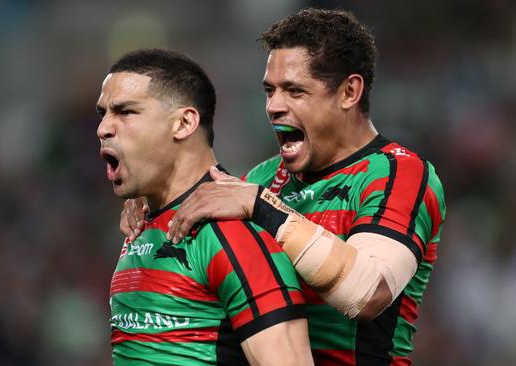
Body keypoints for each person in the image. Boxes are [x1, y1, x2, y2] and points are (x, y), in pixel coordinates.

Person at [121, 8, 446, 366]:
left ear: (349, 92)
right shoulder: (261, 179)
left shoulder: (399, 173)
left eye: (294, 91)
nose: (273, 106)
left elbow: (368, 293)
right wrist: (154, 196)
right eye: (269, 90)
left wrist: (263, 207)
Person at [96, 48, 313, 365]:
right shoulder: (142, 222)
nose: (103, 128)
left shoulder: (232, 233)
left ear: (183, 123)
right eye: (103, 113)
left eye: (125, 112)